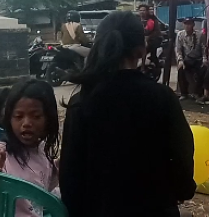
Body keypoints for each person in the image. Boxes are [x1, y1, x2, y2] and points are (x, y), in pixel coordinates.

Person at [60, 11, 196, 217]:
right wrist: (182, 190)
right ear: (141, 50)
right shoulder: (161, 97)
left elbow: (70, 174)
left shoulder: (82, 100)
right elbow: (182, 157)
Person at [0, 80, 60, 217]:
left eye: (36, 116)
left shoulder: (43, 152)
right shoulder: (0, 154)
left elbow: (45, 193)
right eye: (18, 116)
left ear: (49, 118)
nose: (26, 123)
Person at [176, 18, 204, 101]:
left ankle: (197, 93)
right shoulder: (180, 34)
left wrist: (204, 60)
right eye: (185, 24)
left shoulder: (200, 35)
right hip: (187, 59)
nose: (187, 26)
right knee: (181, 69)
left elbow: (203, 48)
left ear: (193, 25)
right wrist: (180, 60)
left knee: (203, 70)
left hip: (197, 59)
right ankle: (184, 93)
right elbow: (178, 49)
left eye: (189, 24)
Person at [138, 4, 163, 69]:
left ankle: (144, 68)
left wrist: (147, 37)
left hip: (153, 40)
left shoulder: (151, 20)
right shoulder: (137, 20)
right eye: (140, 10)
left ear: (146, 11)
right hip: (141, 39)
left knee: (150, 53)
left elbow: (150, 31)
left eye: (143, 10)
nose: (142, 12)